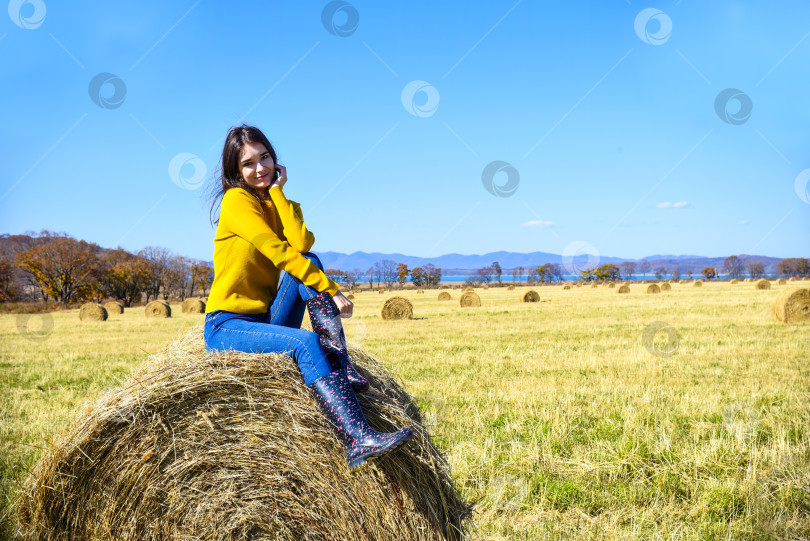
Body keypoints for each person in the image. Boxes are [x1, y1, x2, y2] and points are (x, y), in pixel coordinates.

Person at [203, 124, 412, 470]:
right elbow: (277, 252)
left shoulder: (269, 199)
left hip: (264, 319)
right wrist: (331, 288)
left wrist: (279, 194)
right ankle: (356, 439)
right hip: (227, 326)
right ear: (234, 171)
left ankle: (339, 365)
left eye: (265, 157)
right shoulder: (236, 201)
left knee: (310, 262)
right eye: (248, 164)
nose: (260, 168)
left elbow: (301, 246)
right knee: (303, 343)